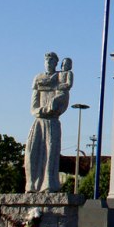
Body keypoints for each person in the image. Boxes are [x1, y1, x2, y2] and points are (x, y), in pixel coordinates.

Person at [25, 52, 72, 193]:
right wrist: (39, 111)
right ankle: (31, 184)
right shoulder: (38, 78)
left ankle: (48, 184)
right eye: (47, 61)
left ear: (56, 63)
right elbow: (33, 104)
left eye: (51, 61)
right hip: (39, 120)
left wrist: (53, 105)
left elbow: (63, 96)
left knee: (50, 151)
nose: (48, 63)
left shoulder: (60, 77)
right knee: (31, 151)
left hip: (52, 121)